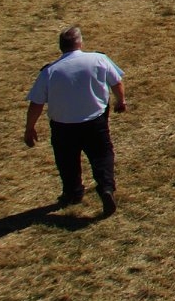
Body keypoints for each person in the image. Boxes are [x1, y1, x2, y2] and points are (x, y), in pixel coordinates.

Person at [25, 25, 125, 215]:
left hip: (63, 127)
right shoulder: (98, 59)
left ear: (61, 46)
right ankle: (106, 188)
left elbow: (36, 103)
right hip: (95, 122)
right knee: (102, 155)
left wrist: (30, 128)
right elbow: (116, 82)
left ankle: (73, 192)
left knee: (66, 160)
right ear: (80, 43)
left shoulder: (49, 72)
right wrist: (121, 101)